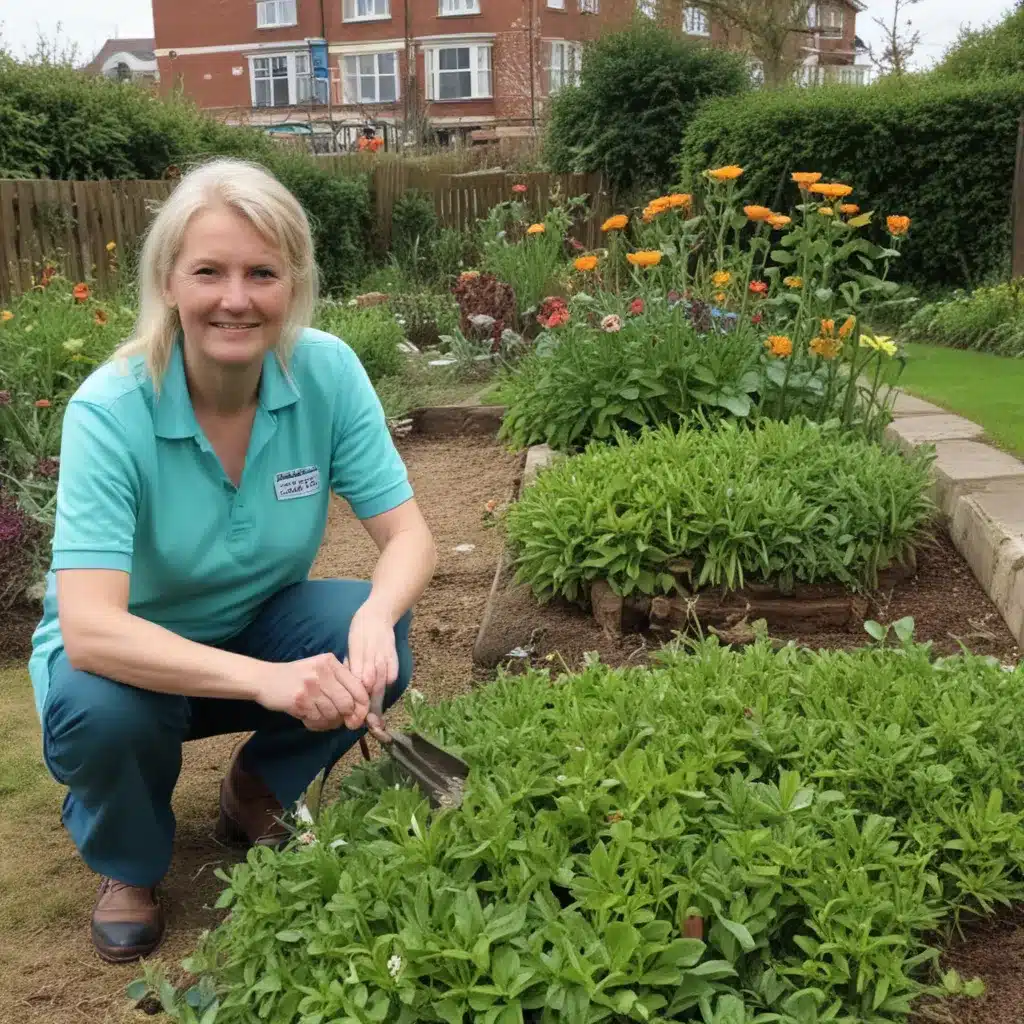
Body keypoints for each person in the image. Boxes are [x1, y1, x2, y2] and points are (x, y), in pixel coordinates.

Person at [27, 157, 436, 964]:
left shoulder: (324, 371)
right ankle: (129, 865)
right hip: (129, 662)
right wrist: (269, 682)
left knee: (376, 646)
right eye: (209, 271)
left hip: (254, 627)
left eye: (262, 273)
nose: (236, 299)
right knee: (104, 716)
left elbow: (411, 537)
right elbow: (92, 631)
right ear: (168, 282)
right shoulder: (110, 410)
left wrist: (374, 619)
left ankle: (252, 791)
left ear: (294, 285)